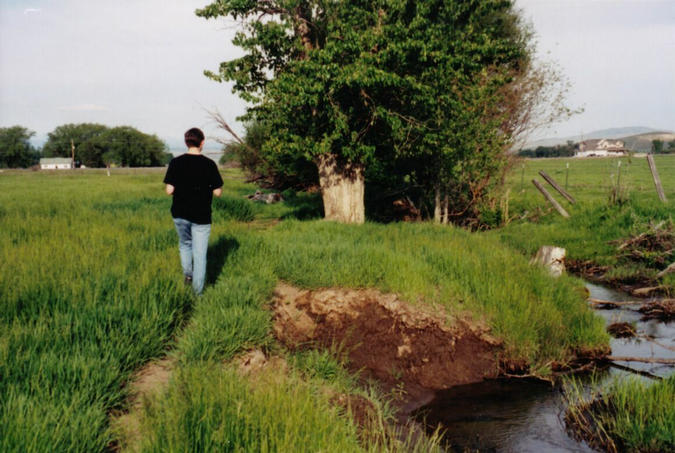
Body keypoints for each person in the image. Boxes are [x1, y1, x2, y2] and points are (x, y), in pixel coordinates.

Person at [163, 127, 223, 294]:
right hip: (202, 216)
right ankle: (197, 293)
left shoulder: (176, 163)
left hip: (180, 214)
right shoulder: (210, 164)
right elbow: (218, 192)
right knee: (200, 254)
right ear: (202, 142)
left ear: (186, 142)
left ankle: (188, 276)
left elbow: (169, 190)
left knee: (185, 245)